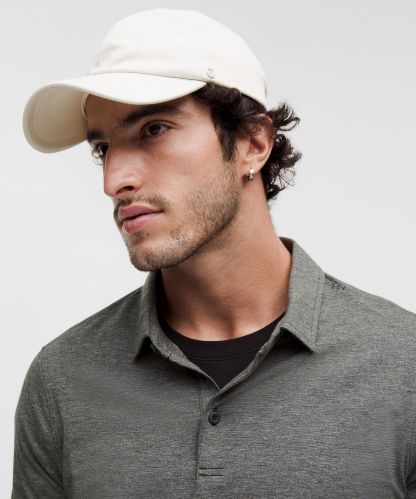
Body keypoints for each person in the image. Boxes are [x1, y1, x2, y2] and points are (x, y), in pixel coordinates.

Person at [13, 8, 416, 498]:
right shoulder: (62, 380)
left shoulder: (404, 366)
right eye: (102, 148)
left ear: (253, 143)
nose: (114, 180)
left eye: (154, 129)